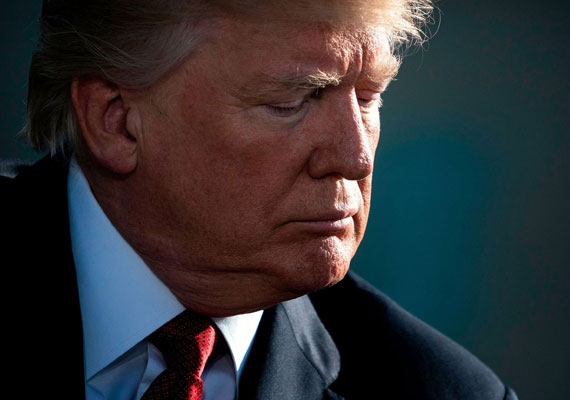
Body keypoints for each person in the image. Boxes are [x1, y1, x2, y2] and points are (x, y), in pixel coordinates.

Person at [1, 1, 518, 399]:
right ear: (116, 121)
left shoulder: (441, 389)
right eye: (291, 102)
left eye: (368, 97)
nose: (355, 157)